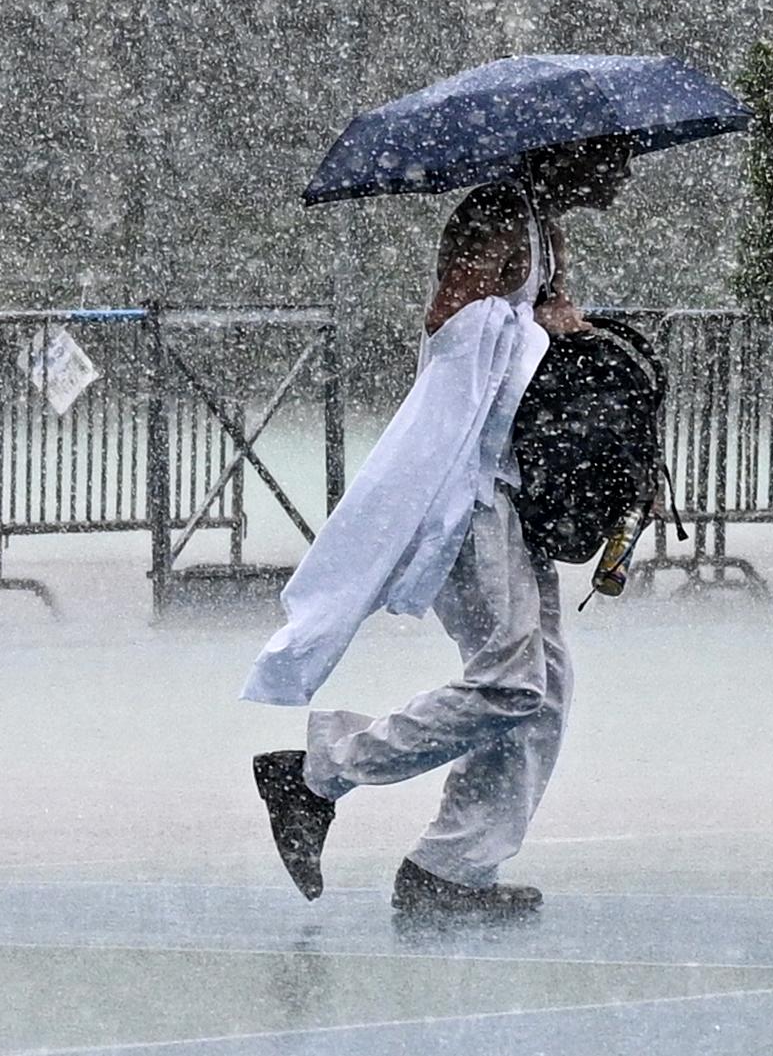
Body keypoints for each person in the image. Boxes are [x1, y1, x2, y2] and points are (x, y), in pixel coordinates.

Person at [245, 138, 632, 922]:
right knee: (510, 681)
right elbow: (451, 329)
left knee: (544, 688)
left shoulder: (545, 228)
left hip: (512, 486)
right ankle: (318, 770)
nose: (624, 167)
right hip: (466, 486)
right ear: (571, 151)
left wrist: (560, 328)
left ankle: (452, 869)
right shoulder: (494, 215)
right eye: (613, 153)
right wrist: (538, 327)